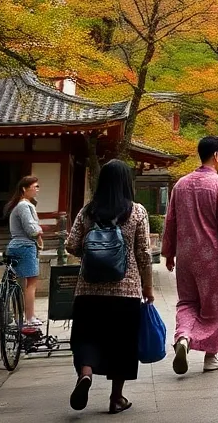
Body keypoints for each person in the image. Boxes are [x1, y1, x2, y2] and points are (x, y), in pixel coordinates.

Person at [66, 160, 154, 415]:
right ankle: (116, 398)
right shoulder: (137, 211)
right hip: (125, 292)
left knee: (86, 337)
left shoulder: (88, 211)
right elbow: (144, 254)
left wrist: (91, 250)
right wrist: (147, 288)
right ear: (127, 182)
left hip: (88, 290)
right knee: (122, 344)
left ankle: (86, 374)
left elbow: (71, 245)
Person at [163, 136, 218, 376]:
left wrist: (168, 251)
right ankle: (211, 355)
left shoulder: (181, 184)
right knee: (215, 306)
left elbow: (171, 220)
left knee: (187, 301)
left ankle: (184, 336)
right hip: (212, 256)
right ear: (216, 155)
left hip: (186, 254)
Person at [4, 175, 43, 327]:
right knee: (31, 283)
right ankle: (29, 317)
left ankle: (22, 314)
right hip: (25, 246)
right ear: (24, 189)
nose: (37, 190)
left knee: (19, 282)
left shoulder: (19, 206)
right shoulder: (24, 206)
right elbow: (31, 229)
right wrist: (40, 230)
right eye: (35, 187)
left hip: (15, 245)